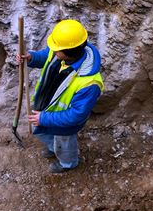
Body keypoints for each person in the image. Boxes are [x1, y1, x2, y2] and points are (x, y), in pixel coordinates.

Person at [16, 19, 104, 173]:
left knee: (65, 144)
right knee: (45, 134)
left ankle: (67, 163)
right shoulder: (62, 52)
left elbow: (76, 115)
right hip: (47, 110)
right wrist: (31, 58)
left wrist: (44, 118)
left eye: (57, 50)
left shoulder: (89, 84)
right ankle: (53, 148)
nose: (53, 51)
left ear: (68, 52)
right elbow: (46, 56)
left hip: (65, 124)